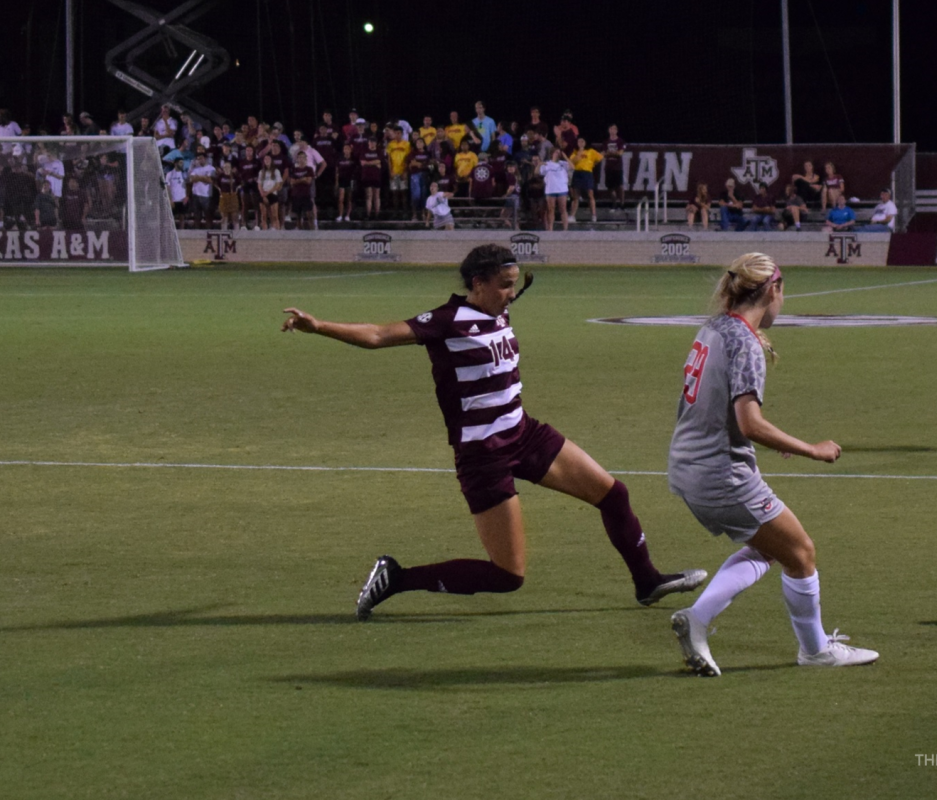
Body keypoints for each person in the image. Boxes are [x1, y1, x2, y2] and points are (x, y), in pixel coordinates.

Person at [280, 244, 706, 617]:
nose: (511, 294)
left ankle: (647, 581)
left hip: (524, 433)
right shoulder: (447, 320)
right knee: (508, 575)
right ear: (477, 282)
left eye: (515, 283)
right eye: (504, 285)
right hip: (483, 455)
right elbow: (377, 335)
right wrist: (319, 327)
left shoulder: (497, 314)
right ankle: (396, 578)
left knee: (613, 494)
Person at [667, 253, 879, 676]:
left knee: (770, 548)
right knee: (800, 553)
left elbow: (725, 411)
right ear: (773, 290)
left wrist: (770, 437)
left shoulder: (714, 328)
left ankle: (697, 618)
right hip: (721, 474)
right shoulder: (745, 342)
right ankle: (815, 651)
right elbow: (749, 423)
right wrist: (810, 449)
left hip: (687, 466)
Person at [568, 138, 602, 222]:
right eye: (579, 141)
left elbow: (600, 158)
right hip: (577, 173)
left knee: (590, 194)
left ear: (585, 142)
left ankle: (594, 215)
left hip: (587, 174)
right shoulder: (575, 152)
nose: (580, 143)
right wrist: (579, 154)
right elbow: (572, 161)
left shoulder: (591, 151)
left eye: (582, 141)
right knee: (575, 196)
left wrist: (593, 164)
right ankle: (572, 216)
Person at [539, 149, 571, 230]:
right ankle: (550, 229)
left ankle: (565, 229)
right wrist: (539, 164)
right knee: (550, 209)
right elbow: (538, 172)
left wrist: (566, 157)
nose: (558, 154)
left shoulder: (563, 164)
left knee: (563, 209)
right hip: (550, 189)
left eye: (559, 153)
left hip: (562, 189)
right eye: (556, 152)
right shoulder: (547, 164)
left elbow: (572, 167)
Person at [188, 151, 217, 229]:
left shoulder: (211, 168)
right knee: (197, 216)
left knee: (208, 215)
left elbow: (210, 180)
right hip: (196, 194)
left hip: (207, 195)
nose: (199, 160)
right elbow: (191, 179)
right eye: (198, 159)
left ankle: (209, 232)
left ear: (205, 158)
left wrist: (198, 177)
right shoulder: (195, 169)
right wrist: (203, 177)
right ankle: (197, 233)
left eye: (201, 158)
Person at [289, 151, 317, 229]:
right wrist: (302, 179)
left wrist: (297, 180)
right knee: (298, 217)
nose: (301, 159)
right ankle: (299, 232)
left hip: (306, 194)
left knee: (310, 215)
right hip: (296, 194)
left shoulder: (309, 169)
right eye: (299, 157)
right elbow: (292, 182)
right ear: (297, 159)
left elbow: (308, 181)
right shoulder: (294, 169)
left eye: (303, 157)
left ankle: (313, 230)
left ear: (306, 159)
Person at [601, 124, 626, 208]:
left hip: (617, 167)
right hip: (609, 167)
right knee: (610, 187)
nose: (612, 131)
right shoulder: (605, 142)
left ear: (617, 130)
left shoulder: (620, 141)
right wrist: (613, 153)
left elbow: (620, 153)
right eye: (611, 129)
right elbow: (603, 154)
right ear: (609, 130)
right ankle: (614, 203)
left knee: (620, 185)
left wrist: (610, 153)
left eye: (614, 129)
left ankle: (622, 203)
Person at [257, 153, 284, 230]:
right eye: (265, 159)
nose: (267, 161)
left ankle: (277, 231)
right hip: (263, 194)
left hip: (272, 193)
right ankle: (265, 232)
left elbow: (277, 185)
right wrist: (263, 194)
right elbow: (259, 184)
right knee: (263, 215)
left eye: (268, 159)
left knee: (275, 215)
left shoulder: (276, 171)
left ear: (271, 161)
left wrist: (268, 193)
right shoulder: (261, 172)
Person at [359, 139, 383, 219]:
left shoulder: (379, 151)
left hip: (376, 176)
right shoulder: (364, 151)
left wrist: (368, 162)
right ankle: (368, 214)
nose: (372, 144)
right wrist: (374, 163)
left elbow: (380, 161)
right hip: (366, 176)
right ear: (368, 143)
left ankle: (377, 215)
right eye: (371, 142)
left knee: (377, 196)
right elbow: (362, 162)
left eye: (374, 142)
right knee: (369, 196)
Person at [334, 143, 358, 223]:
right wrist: (336, 182)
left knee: (349, 199)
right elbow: (337, 171)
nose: (346, 150)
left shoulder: (354, 159)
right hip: (341, 180)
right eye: (345, 149)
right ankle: (340, 215)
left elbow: (356, 170)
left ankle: (348, 215)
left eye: (348, 149)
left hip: (350, 180)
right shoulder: (340, 159)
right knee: (341, 199)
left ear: (350, 150)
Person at [215, 160, 240, 230]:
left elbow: (240, 183)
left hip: (233, 196)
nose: (226, 168)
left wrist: (237, 189)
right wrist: (219, 190)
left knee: (234, 216)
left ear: (231, 168)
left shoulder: (234, 176)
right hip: (224, 197)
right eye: (225, 167)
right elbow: (216, 184)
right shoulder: (221, 176)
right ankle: (224, 232)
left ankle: (237, 232)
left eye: (228, 167)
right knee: (224, 217)